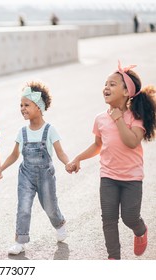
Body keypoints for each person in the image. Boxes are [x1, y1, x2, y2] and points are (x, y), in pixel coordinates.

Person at [66, 61, 156, 260]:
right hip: (108, 176)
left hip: (132, 178)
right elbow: (97, 145)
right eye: (105, 84)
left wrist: (118, 119)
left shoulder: (136, 116)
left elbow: (132, 142)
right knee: (108, 219)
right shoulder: (100, 118)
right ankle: (114, 258)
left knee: (129, 217)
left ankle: (140, 230)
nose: (106, 87)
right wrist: (78, 158)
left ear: (126, 92)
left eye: (112, 84)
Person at [0, 81, 69, 255]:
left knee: (50, 206)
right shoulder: (22, 132)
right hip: (25, 175)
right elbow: (14, 155)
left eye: (26, 105)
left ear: (39, 107)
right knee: (23, 207)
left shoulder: (50, 130)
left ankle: (60, 223)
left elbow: (60, 152)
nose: (22, 108)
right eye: (21, 105)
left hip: (45, 176)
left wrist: (68, 163)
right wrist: (0, 169)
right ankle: (20, 241)